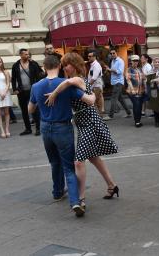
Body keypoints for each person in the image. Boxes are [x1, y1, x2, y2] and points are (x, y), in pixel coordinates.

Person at [45, 52, 119, 212]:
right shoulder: (74, 80)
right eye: (63, 65)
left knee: (79, 161)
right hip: (83, 122)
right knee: (93, 158)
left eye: (67, 64)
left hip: (89, 121)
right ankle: (112, 186)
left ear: (76, 65)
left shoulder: (77, 79)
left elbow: (69, 84)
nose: (65, 67)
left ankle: (81, 198)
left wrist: (54, 93)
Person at [28, 55, 95, 217]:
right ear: (59, 66)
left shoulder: (36, 86)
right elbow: (87, 100)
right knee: (68, 166)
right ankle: (75, 202)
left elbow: (30, 110)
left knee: (54, 162)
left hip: (45, 127)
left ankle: (57, 192)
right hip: (63, 127)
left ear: (44, 67)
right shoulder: (66, 85)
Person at [12, 48, 43, 136]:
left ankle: (38, 128)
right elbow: (13, 78)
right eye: (25, 54)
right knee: (24, 110)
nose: (28, 56)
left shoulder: (33, 63)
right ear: (21, 55)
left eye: (28, 54)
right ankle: (28, 129)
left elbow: (40, 74)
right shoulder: (16, 65)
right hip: (21, 91)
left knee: (35, 109)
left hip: (32, 90)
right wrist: (15, 89)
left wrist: (38, 87)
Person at [103, 48, 132, 121]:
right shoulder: (113, 61)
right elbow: (113, 71)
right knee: (120, 99)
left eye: (113, 53)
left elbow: (120, 72)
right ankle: (128, 112)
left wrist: (110, 70)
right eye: (111, 53)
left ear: (117, 53)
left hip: (118, 83)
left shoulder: (120, 61)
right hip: (115, 82)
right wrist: (108, 69)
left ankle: (110, 115)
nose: (112, 54)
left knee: (113, 99)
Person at [126, 55, 147, 127]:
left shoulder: (140, 69)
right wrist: (132, 90)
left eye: (137, 61)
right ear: (131, 61)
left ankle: (139, 120)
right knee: (136, 105)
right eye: (134, 61)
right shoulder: (129, 69)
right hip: (133, 91)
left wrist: (146, 88)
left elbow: (144, 78)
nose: (135, 62)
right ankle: (137, 122)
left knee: (140, 106)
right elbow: (128, 80)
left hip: (141, 91)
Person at [87, 51, 105, 117]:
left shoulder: (96, 65)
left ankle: (98, 117)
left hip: (96, 86)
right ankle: (99, 117)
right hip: (94, 87)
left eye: (90, 56)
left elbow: (94, 78)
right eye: (88, 56)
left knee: (95, 102)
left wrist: (87, 85)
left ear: (94, 57)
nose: (88, 57)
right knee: (97, 102)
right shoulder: (93, 65)